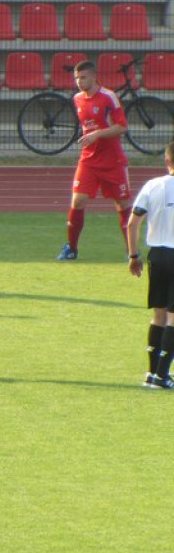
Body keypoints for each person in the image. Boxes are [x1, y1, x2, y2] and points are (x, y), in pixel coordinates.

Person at [56, 60, 131, 260]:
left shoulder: (109, 97)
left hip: (112, 161)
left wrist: (97, 134)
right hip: (88, 160)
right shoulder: (78, 99)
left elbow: (122, 127)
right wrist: (90, 137)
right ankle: (71, 248)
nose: (79, 82)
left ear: (94, 76)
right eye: (76, 78)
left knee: (122, 204)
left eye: (83, 77)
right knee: (78, 200)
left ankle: (131, 251)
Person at [128, 142, 174, 390]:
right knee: (173, 317)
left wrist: (134, 256)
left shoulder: (152, 185)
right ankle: (163, 376)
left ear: (167, 161)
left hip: (156, 255)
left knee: (158, 315)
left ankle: (151, 373)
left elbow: (132, 223)